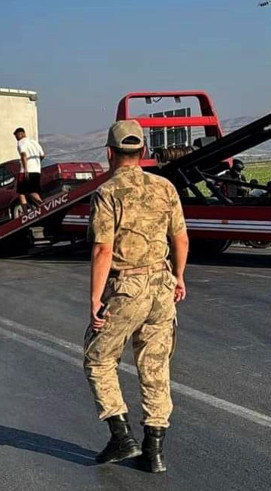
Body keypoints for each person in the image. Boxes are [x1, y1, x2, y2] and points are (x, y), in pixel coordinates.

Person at [85, 120, 189, 473]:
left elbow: (103, 249)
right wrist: (179, 276)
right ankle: (154, 451)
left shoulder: (108, 193)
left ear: (110, 153)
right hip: (162, 285)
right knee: (155, 366)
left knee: (98, 358)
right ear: (142, 152)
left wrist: (96, 299)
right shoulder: (165, 187)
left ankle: (120, 434)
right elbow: (181, 238)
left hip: (127, 286)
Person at [13, 127, 45, 209]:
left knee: (21, 192)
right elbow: (42, 155)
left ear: (21, 134)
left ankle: (25, 211)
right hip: (36, 170)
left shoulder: (21, 143)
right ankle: (42, 204)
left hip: (25, 171)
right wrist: (37, 163)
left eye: (16, 136)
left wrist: (26, 168)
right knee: (33, 191)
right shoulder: (34, 142)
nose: (16, 138)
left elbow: (23, 155)